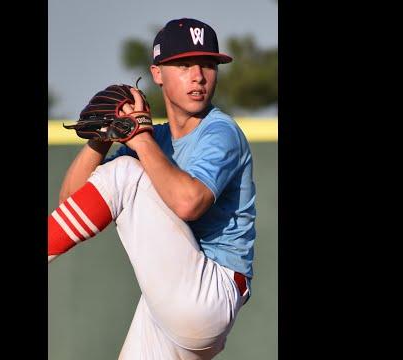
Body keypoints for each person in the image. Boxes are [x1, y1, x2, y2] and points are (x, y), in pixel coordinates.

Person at [48, 18, 256, 359]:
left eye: (207, 65)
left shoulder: (220, 132)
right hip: (168, 305)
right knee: (120, 170)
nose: (198, 76)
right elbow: (72, 204)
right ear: (157, 74)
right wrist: (100, 141)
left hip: (210, 291)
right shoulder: (155, 139)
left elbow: (189, 203)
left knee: (126, 172)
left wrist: (139, 137)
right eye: (184, 65)